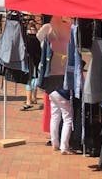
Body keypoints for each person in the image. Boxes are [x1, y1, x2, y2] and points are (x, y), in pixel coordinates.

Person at [37, 16, 73, 153]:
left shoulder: (48, 29)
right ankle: (64, 146)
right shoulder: (68, 29)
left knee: (55, 114)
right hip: (62, 77)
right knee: (67, 115)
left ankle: (55, 143)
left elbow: (38, 36)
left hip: (49, 77)